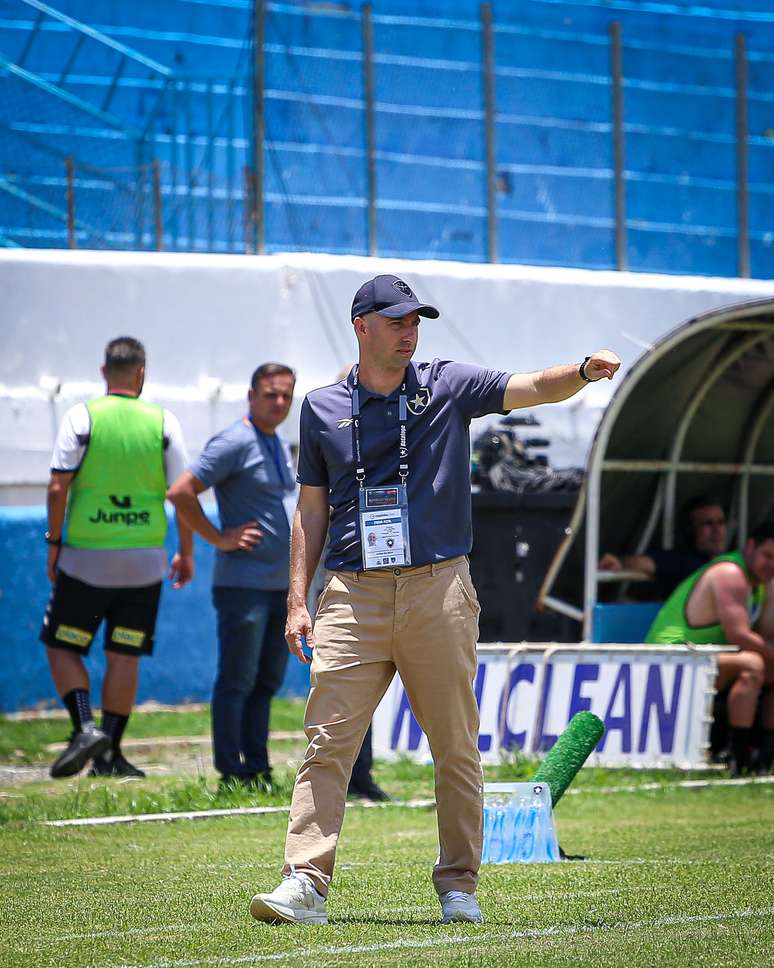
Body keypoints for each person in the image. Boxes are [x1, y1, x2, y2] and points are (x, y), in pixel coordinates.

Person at [249, 273, 620, 925]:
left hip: (438, 588)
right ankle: (304, 882)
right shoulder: (319, 407)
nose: (409, 332)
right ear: (361, 326)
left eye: (416, 320)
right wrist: (296, 601)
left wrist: (584, 371)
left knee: (454, 746)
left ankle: (458, 886)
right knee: (326, 743)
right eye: (396, 321)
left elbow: (529, 386)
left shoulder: (447, 384)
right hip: (350, 594)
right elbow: (309, 509)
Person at [41, 336, 194, 779]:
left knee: (61, 645)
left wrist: (54, 542)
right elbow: (182, 493)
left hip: (87, 557)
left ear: (104, 372)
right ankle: (110, 755)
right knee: (124, 655)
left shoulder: (82, 416)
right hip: (144, 560)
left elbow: (57, 486)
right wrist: (185, 551)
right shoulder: (163, 421)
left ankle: (85, 726)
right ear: (142, 373)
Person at [167, 363, 296, 788]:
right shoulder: (235, 440)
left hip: (278, 586)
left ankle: (257, 767)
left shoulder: (275, 441)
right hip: (242, 586)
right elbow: (181, 492)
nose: (279, 403)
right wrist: (217, 538)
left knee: (266, 681)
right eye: (270, 394)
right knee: (237, 679)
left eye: (285, 396)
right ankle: (231, 770)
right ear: (251, 395)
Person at [646, 521, 774, 775]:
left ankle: (766, 757)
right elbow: (739, 636)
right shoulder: (729, 572)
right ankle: (739, 759)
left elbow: (765, 636)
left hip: (703, 659)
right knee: (753, 665)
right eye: (768, 556)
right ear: (750, 547)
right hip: (669, 658)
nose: (772, 565)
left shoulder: (762, 582)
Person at [599, 496, 727, 599]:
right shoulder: (682, 561)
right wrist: (619, 563)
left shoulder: (732, 560)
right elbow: (642, 562)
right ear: (691, 530)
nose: (717, 530)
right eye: (708, 524)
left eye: (721, 522)